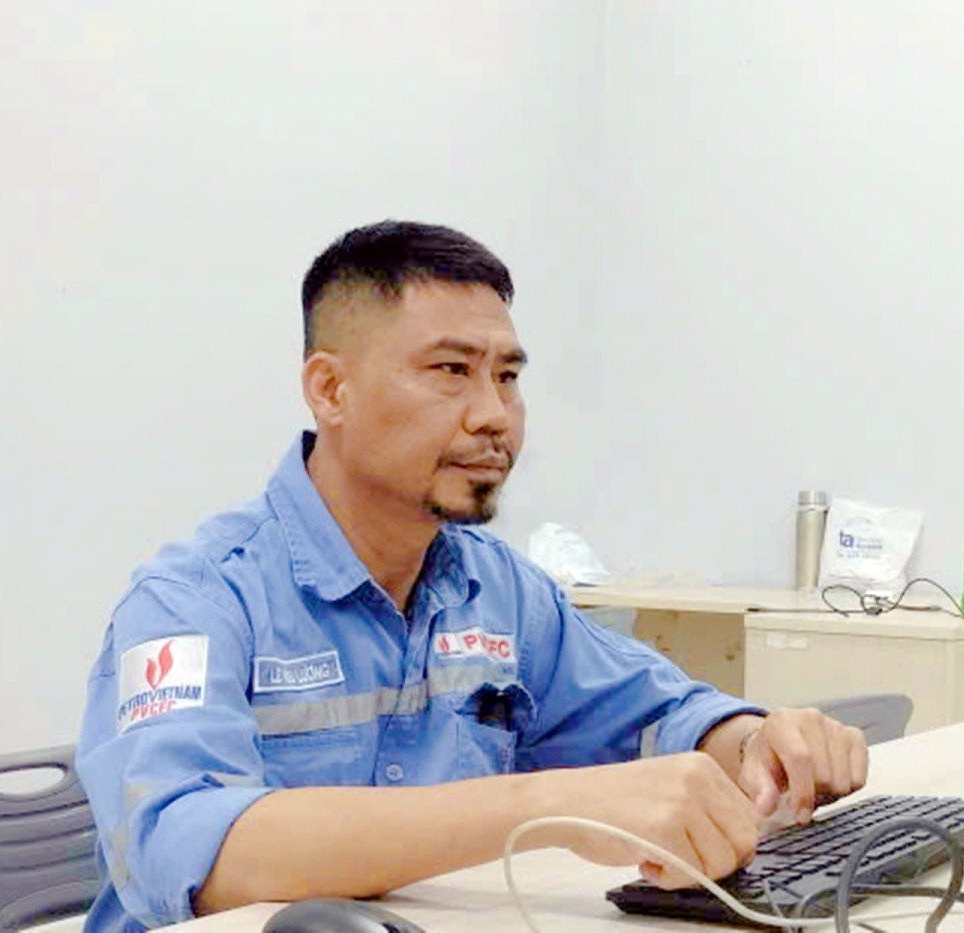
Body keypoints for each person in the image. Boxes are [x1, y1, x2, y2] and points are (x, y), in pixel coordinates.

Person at [76, 221, 869, 933]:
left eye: (508, 377)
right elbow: (187, 848)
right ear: (330, 389)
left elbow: (659, 714)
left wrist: (756, 741)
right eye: (452, 370)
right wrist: (553, 804)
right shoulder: (193, 598)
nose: (494, 414)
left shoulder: (497, 589)